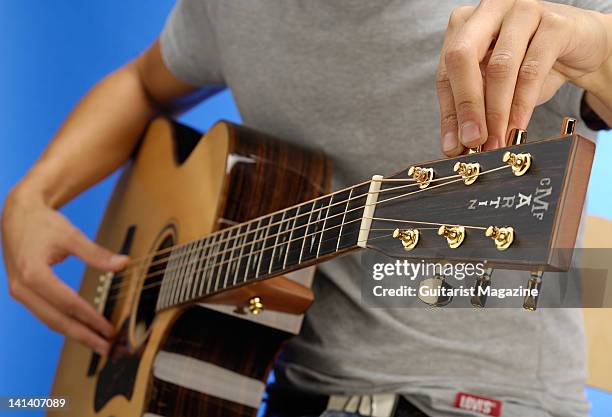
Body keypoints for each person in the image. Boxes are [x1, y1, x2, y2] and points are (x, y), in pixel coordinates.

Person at [2, 1, 612, 416]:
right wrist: (31, 198)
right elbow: (142, 82)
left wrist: (600, 48)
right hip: (282, 388)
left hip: (474, 396)